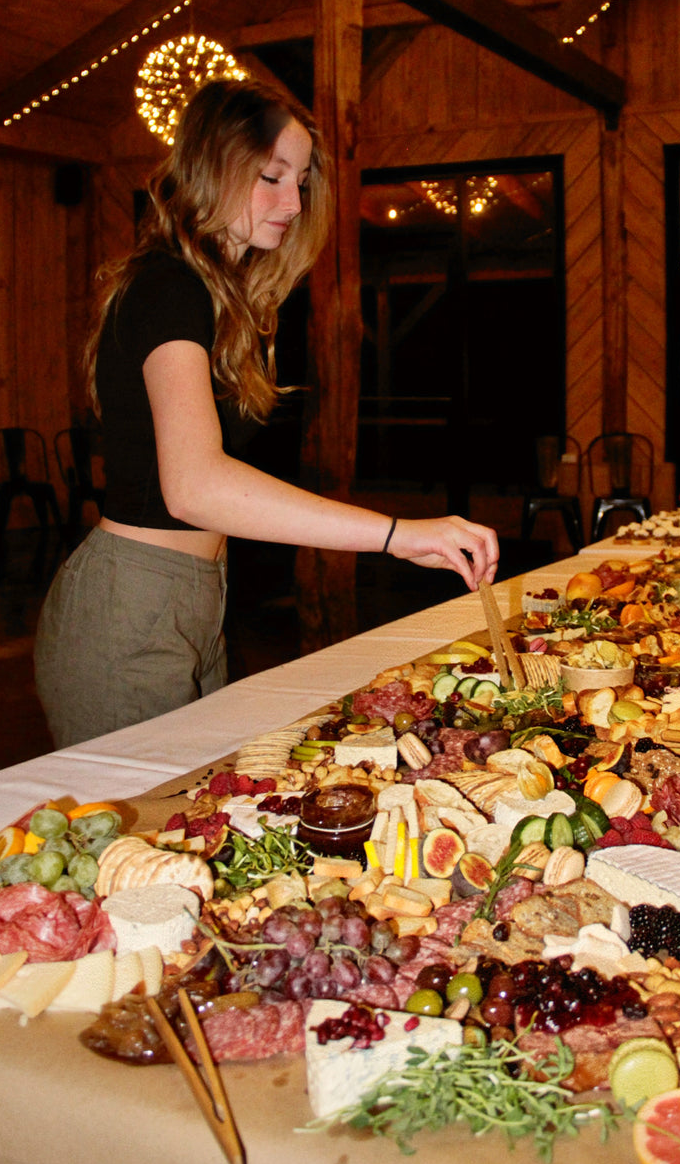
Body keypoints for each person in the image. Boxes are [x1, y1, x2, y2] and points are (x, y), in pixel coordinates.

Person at [34, 78, 499, 748]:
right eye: (272, 176)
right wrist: (398, 534)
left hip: (196, 593)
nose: (293, 202)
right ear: (212, 165)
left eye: (302, 180)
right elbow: (194, 487)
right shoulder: (168, 286)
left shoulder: (224, 300)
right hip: (127, 603)